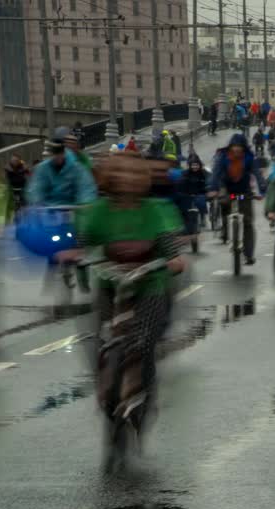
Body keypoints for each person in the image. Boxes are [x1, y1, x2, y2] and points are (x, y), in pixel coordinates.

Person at [77, 153, 187, 425]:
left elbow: (167, 243)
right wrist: (74, 255)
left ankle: (144, 391)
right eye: (120, 173)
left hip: (149, 285)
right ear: (111, 177)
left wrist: (173, 260)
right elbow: (83, 242)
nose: (126, 179)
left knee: (143, 342)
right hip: (111, 285)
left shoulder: (153, 210)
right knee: (98, 339)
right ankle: (105, 380)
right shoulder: (98, 211)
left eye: (133, 173)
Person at [208, 132, 266, 264]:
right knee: (224, 204)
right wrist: (213, 189)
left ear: (243, 148)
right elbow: (216, 173)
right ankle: (224, 232)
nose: (236, 149)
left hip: (243, 190)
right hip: (226, 188)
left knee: (248, 221)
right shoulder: (223, 156)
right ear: (230, 147)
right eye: (234, 146)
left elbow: (257, 174)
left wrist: (262, 189)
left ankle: (249, 254)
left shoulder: (249, 157)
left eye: (239, 147)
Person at [27, 128, 98, 207]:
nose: (57, 157)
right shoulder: (43, 168)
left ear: (63, 152)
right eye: (54, 153)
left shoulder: (77, 168)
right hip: (48, 209)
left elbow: (86, 188)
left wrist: (84, 203)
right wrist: (37, 203)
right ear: (51, 154)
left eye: (59, 153)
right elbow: (36, 189)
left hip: (72, 209)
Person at [178, 153, 209, 239]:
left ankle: (202, 217)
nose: (195, 167)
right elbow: (181, 184)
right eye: (193, 165)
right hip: (187, 195)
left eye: (196, 165)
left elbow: (207, 184)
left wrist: (206, 191)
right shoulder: (185, 174)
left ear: (199, 165)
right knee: (184, 209)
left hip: (200, 195)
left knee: (201, 203)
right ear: (190, 166)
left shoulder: (203, 174)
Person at [4, 153, 31, 219]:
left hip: (22, 187)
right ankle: (8, 218)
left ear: (19, 161)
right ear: (11, 161)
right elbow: (6, 179)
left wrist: (27, 172)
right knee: (10, 203)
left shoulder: (23, 167)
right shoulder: (8, 168)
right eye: (13, 160)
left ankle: (26, 217)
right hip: (12, 188)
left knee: (25, 202)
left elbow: (29, 175)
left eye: (16, 160)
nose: (15, 162)